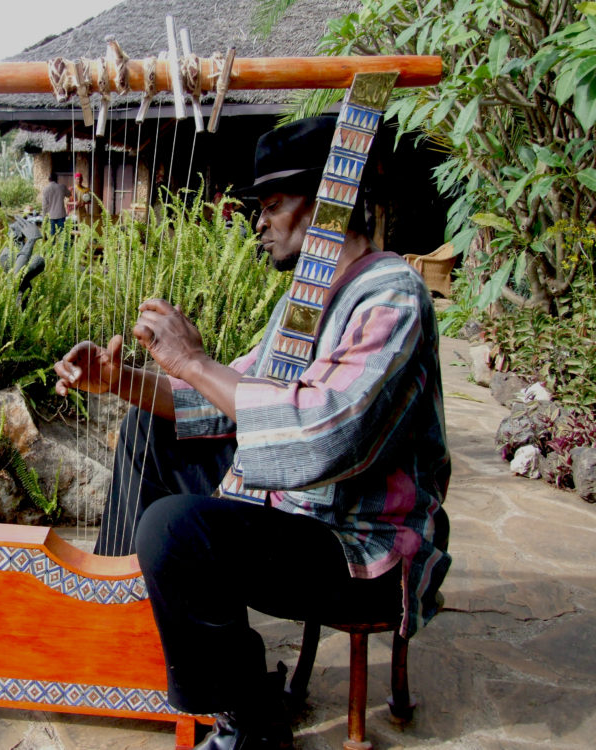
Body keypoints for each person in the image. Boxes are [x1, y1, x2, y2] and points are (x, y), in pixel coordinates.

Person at [53, 117, 451, 750]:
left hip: (355, 544)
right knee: (148, 434)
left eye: (272, 206)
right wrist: (121, 380)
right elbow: (223, 401)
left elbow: (321, 440)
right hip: (291, 512)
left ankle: (250, 717)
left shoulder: (392, 297)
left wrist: (193, 361)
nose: (259, 223)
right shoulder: (302, 301)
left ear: (329, 203)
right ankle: (127, 631)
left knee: (176, 530)